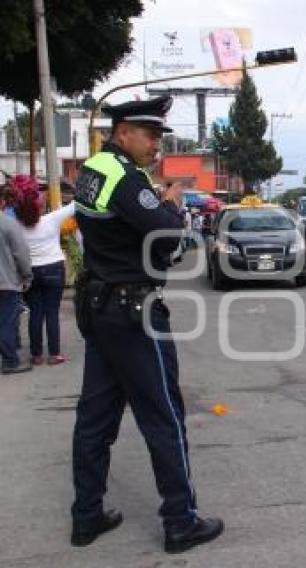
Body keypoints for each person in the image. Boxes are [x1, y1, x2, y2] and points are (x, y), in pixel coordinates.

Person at [71, 95, 223, 553]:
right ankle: (180, 521)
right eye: (151, 134)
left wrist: (154, 206)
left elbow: (119, 229)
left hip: (100, 309)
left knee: (94, 419)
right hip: (133, 314)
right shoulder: (124, 177)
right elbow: (170, 237)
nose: (158, 143)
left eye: (160, 135)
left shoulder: (94, 169)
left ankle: (87, 516)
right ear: (122, 133)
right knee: (164, 416)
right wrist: (172, 205)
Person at [16, 188, 75, 365]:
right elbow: (74, 206)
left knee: (35, 312)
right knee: (52, 312)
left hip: (30, 271)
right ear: (39, 208)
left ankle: (36, 354)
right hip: (53, 269)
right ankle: (55, 353)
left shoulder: (16, 225)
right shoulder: (52, 219)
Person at [0, 194, 33, 374]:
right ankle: (10, 361)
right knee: (6, 322)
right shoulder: (8, 223)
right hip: (5, 283)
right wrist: (27, 276)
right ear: (2, 202)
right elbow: (21, 253)